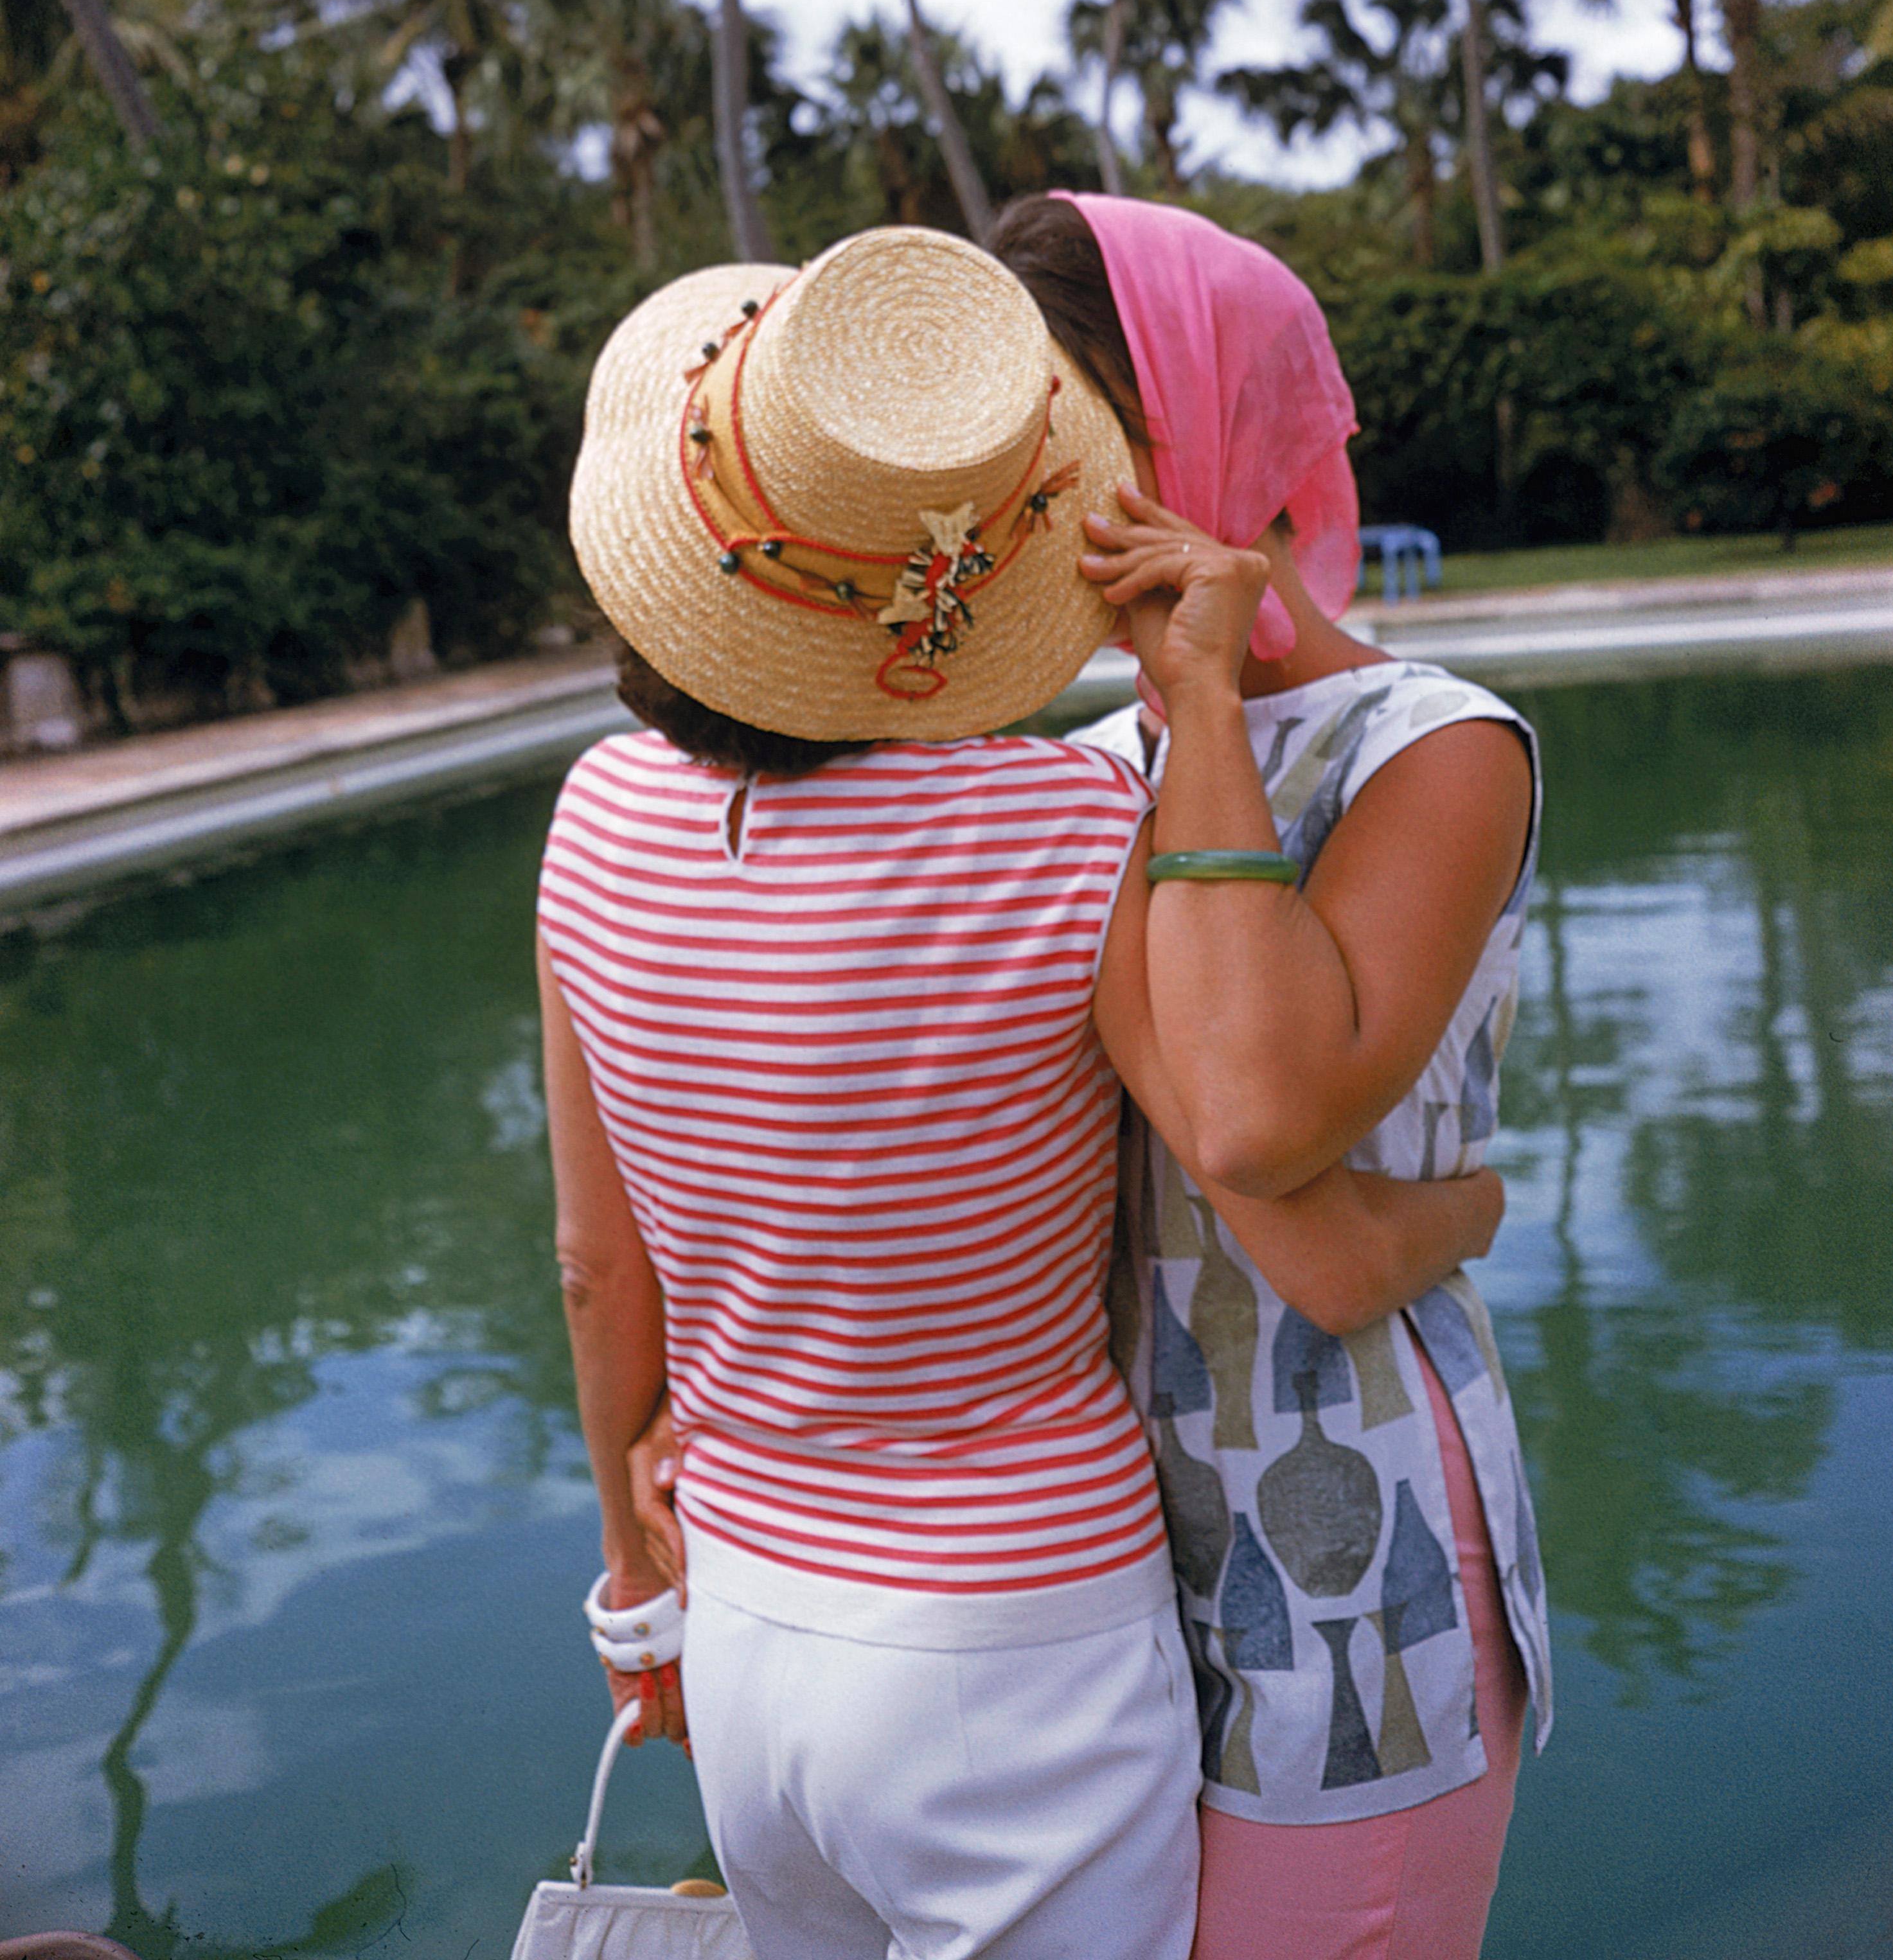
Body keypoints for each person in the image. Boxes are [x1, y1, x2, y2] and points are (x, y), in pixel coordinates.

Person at [538, 225, 1504, 1960]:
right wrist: (1477, 1206)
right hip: (1019, 1628)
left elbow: (603, 1267)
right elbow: (1279, 1179)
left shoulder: (597, 817)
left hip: (762, 1617)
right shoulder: (1068, 821)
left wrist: (638, 1593)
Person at [991, 191, 1552, 1960]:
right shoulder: (1081, 763)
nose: (1027, 505)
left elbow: (1252, 1117)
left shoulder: (1436, 750)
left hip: (1348, 1559)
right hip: (1087, 1585)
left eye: (1064, 439)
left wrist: (1213, 711)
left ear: (1194, 427)